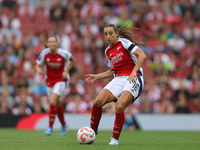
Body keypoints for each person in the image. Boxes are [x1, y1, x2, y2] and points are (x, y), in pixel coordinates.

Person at [85, 24, 146, 145]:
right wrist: (97, 76)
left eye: (110, 33)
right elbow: (114, 70)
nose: (108, 36)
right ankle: (92, 131)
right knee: (97, 102)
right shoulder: (108, 51)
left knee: (119, 107)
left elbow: (142, 56)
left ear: (116, 34)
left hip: (134, 77)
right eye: (105, 34)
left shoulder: (124, 42)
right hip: (119, 79)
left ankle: (114, 139)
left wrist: (134, 72)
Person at [35, 35, 76, 136]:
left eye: (54, 42)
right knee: (57, 104)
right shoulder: (44, 53)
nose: (52, 43)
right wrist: (38, 69)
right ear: (47, 44)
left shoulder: (64, 53)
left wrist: (66, 71)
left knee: (52, 101)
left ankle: (50, 127)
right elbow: (37, 64)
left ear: (57, 43)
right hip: (50, 81)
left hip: (61, 80)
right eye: (50, 42)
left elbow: (73, 60)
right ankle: (63, 125)